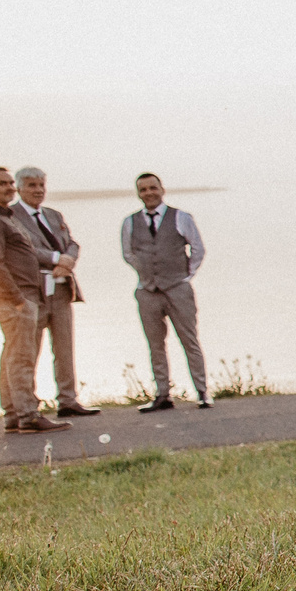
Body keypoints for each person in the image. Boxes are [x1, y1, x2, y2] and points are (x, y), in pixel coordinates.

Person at [0, 166, 69, 433]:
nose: (10, 188)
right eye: (2, 183)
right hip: (15, 298)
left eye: (11, 183)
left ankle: (13, 414)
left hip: (24, 295)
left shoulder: (6, 216)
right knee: (22, 357)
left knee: (12, 355)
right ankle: (29, 416)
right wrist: (17, 300)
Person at [12, 166, 99, 418]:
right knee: (29, 350)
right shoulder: (12, 216)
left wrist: (68, 260)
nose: (38, 190)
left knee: (64, 348)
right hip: (33, 292)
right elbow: (25, 250)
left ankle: (68, 400)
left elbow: (72, 243)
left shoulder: (53, 214)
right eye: (31, 185)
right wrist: (56, 259)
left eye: (41, 185)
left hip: (62, 291)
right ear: (19, 188)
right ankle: (28, 406)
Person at [122, 172, 210, 411]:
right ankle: (162, 394)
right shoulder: (130, 222)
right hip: (147, 291)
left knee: (189, 339)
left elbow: (198, 249)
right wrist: (145, 273)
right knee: (155, 344)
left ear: (162, 189)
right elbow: (128, 253)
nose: (149, 193)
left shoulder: (181, 217)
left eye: (153, 188)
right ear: (138, 193)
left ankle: (202, 392)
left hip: (178, 288)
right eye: (143, 190)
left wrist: (185, 275)